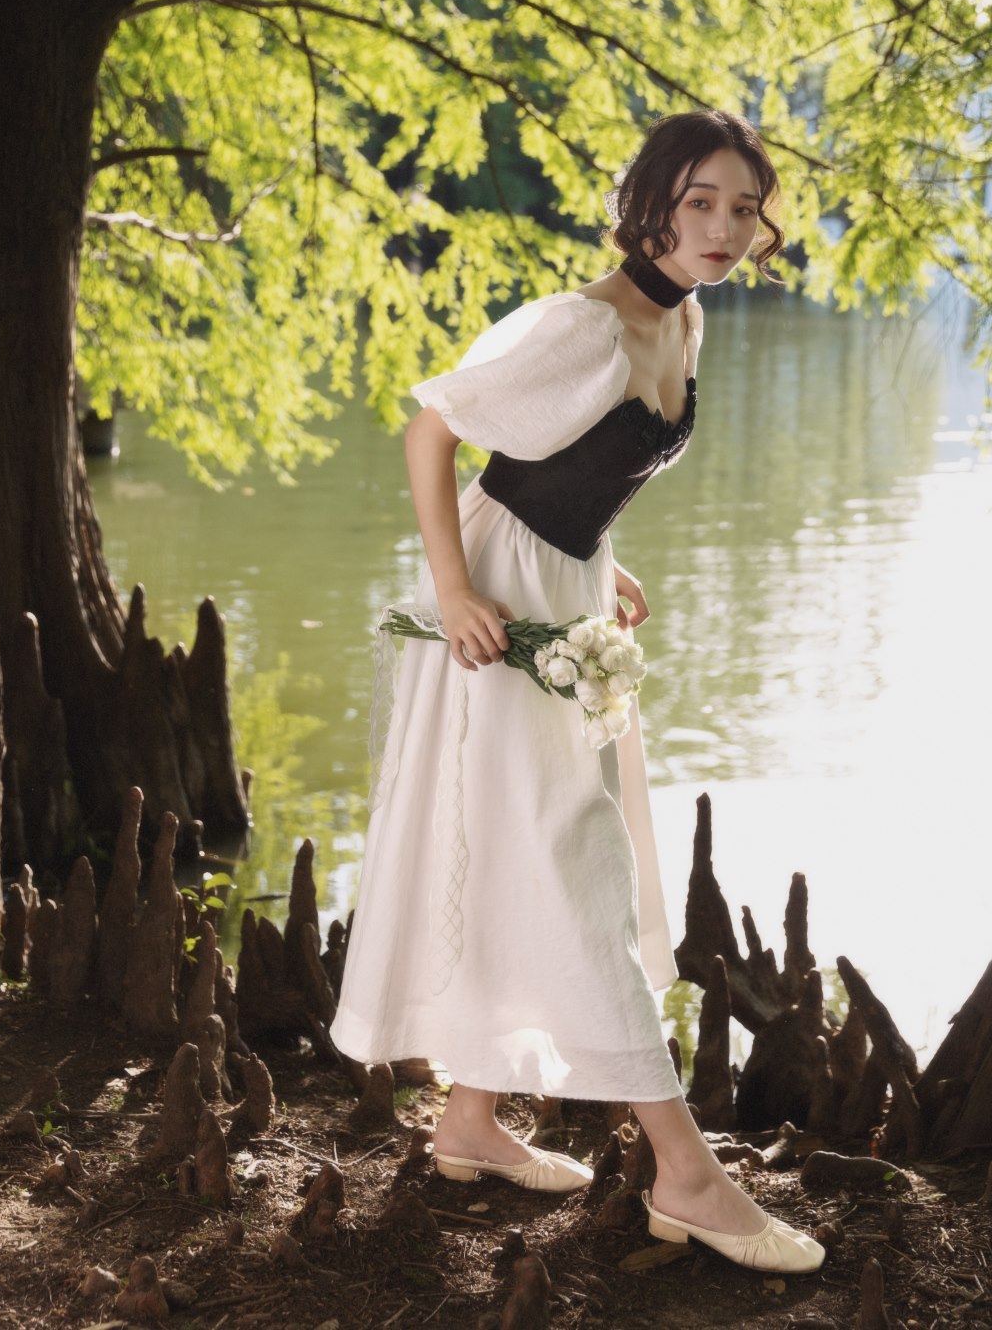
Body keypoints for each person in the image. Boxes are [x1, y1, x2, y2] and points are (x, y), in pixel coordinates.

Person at [332, 109, 824, 1275]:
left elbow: (577, 459)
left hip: (568, 589)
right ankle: (686, 1174)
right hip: (498, 611)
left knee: (536, 848)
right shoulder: (583, 326)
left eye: (742, 209)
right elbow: (431, 434)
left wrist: (602, 553)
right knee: (576, 860)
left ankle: (469, 1121)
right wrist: (456, 590)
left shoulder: (684, 318)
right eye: (699, 203)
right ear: (650, 205)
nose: (722, 228)